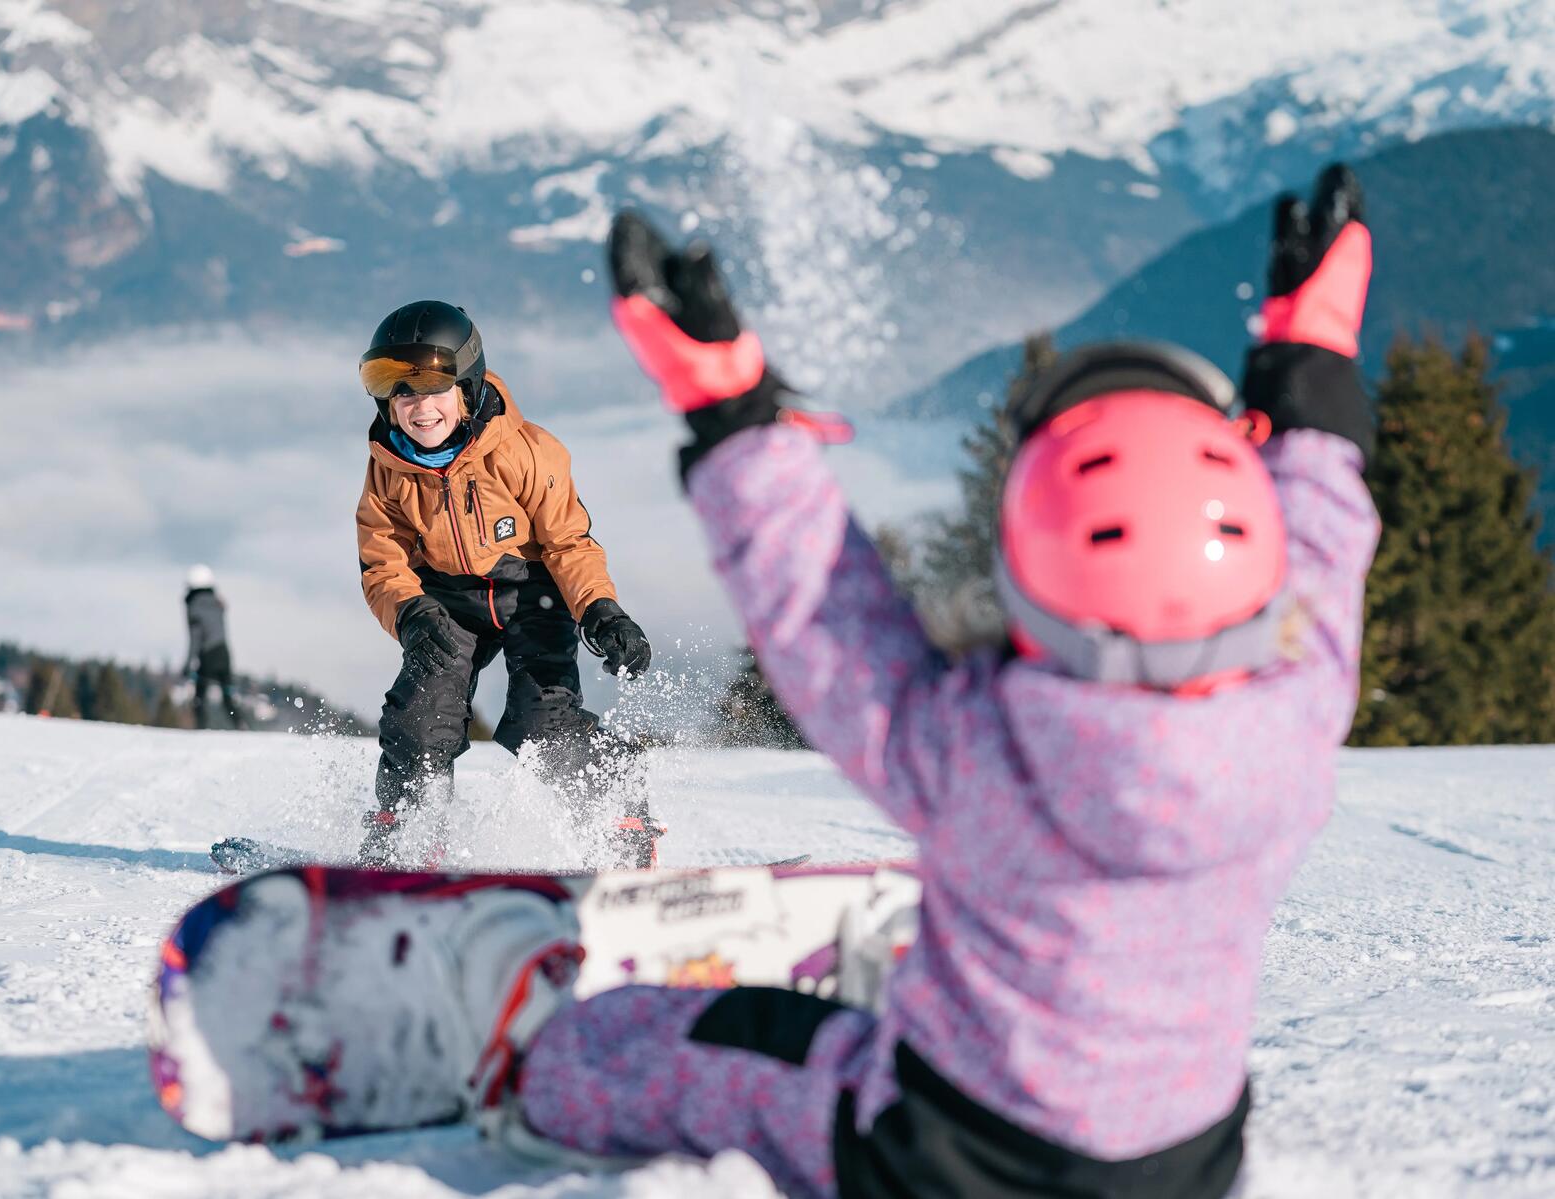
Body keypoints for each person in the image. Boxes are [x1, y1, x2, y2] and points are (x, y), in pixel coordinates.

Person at [389, 164, 1378, 1196]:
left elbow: (822, 608)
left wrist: (728, 408)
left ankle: (537, 1071)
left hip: (937, 1153)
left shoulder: (979, 750)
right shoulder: (1294, 716)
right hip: (1189, 1161)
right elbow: (1324, 533)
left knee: (708, 1048)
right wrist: (1314, 355)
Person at [355, 300, 658, 869]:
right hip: (444, 600)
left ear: (467, 386)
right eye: (400, 390)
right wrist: (410, 612)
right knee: (421, 716)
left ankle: (618, 811)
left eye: (435, 388)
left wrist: (600, 608)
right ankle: (408, 835)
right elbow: (382, 561)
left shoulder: (526, 452)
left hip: (531, 593)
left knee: (541, 725)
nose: (420, 409)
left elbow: (569, 542)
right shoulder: (387, 469)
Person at [184, 564, 248, 730]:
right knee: (227, 694)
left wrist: (188, 664)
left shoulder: (194, 608)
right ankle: (240, 724)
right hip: (224, 652)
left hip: (208, 654)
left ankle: (201, 728)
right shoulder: (217, 604)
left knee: (200, 696)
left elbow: (195, 638)